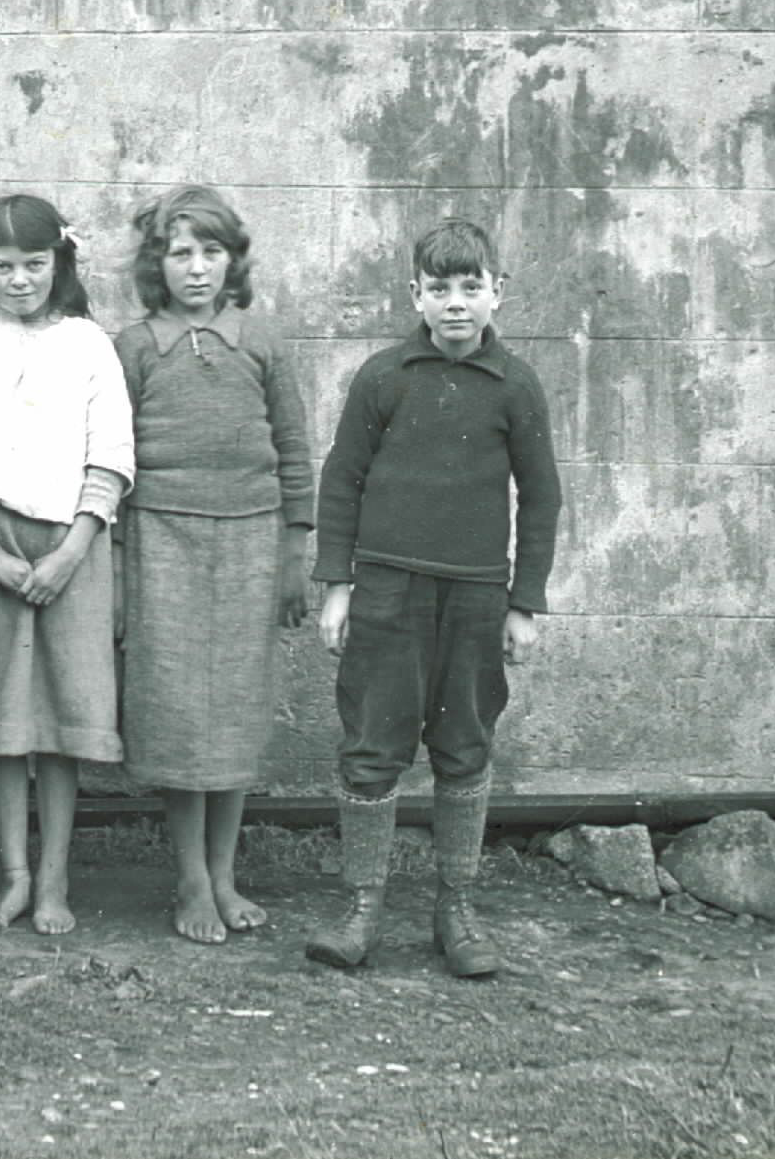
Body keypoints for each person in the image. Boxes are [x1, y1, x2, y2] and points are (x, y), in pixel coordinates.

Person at [305, 218, 562, 979]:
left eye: (471, 286)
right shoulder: (384, 377)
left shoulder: (515, 385)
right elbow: (341, 477)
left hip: (477, 595)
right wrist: (338, 586)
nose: (456, 303)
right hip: (386, 589)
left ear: (497, 291)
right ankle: (361, 905)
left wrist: (524, 602)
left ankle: (456, 904)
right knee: (373, 743)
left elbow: (541, 498)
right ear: (414, 293)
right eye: (440, 288)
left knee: (464, 744)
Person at [0, 194, 134, 938]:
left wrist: (72, 549)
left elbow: (110, 454)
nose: (18, 280)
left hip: (73, 545)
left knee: (63, 719)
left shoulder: (87, 343)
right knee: (5, 719)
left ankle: (54, 878)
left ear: (60, 262)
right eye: (3, 266)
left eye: (34, 265)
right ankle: (12, 875)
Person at [113, 186, 314, 945]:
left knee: (231, 710)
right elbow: (115, 459)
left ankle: (226, 874)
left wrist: (295, 550)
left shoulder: (260, 343)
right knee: (176, 711)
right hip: (162, 538)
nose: (195, 268)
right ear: (155, 263)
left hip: (251, 541)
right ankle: (190, 879)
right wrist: (121, 568)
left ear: (232, 260)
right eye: (179, 252)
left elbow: (293, 451)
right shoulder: (135, 346)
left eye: (210, 251)